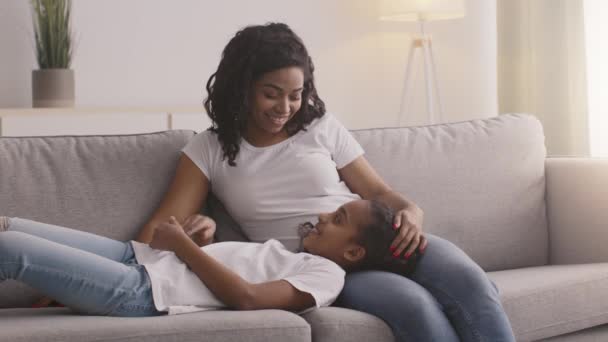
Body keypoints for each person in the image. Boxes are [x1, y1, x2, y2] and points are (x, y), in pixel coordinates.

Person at [0, 199, 417, 316]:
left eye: (338, 218)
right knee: (11, 227)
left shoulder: (327, 275)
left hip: (144, 290)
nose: (325, 215)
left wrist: (184, 246)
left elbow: (248, 299)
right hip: (139, 258)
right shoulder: (295, 253)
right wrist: (200, 242)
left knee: (10, 250)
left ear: (353, 251)